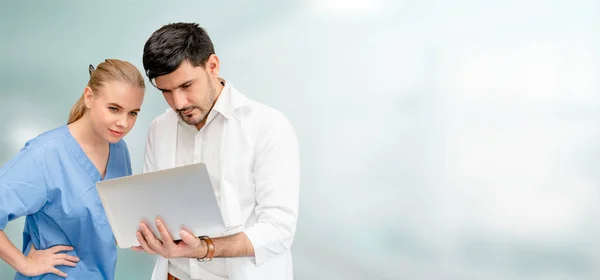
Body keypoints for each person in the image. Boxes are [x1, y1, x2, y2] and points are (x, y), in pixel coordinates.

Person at [133, 22, 300, 280]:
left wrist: (205, 249)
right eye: (166, 91)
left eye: (186, 86)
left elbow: (279, 230)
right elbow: (156, 208)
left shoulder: (268, 126)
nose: (179, 103)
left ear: (212, 66)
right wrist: (151, 234)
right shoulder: (159, 128)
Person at [0, 59, 145, 279]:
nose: (123, 123)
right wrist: (25, 265)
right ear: (89, 97)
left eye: (133, 113)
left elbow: (109, 223)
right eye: (114, 109)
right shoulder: (45, 155)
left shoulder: (119, 150)